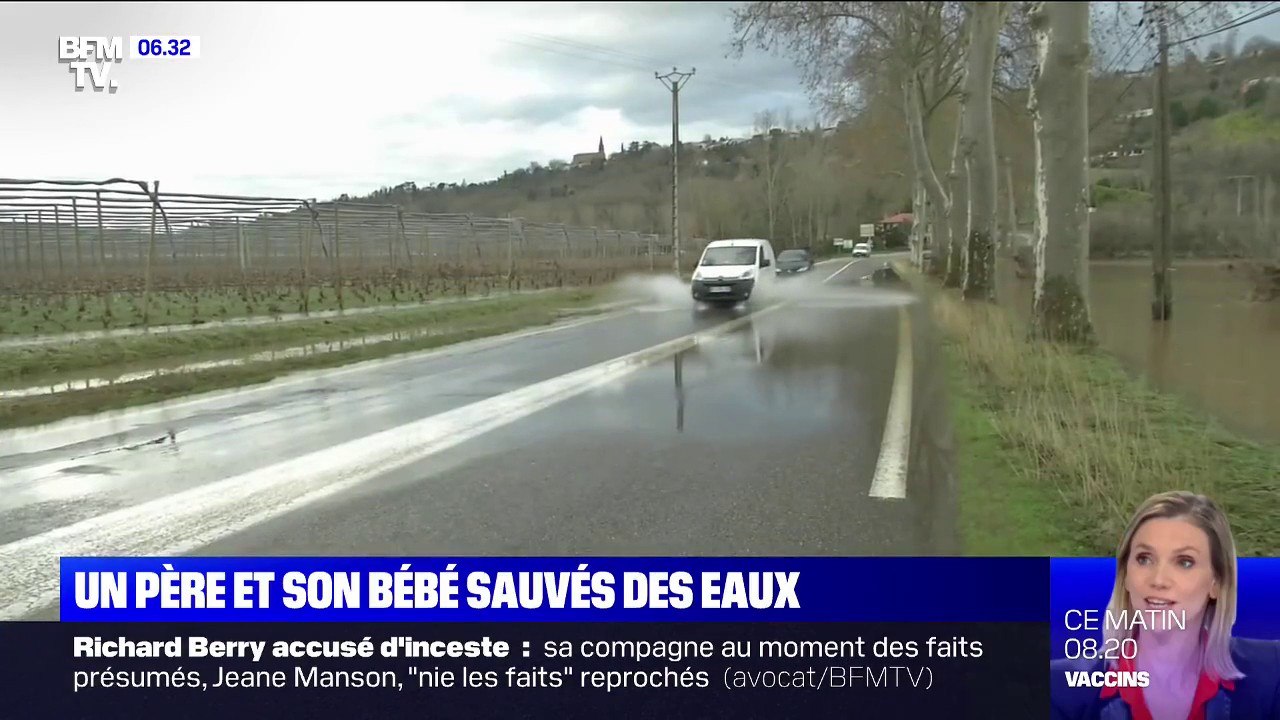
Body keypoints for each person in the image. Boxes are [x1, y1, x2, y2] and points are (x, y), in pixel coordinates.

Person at [1051, 491, 1280, 719]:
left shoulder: (1271, 674)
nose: (1158, 580)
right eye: (1144, 559)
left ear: (1217, 582)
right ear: (1126, 575)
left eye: (1184, 562)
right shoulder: (1058, 688)